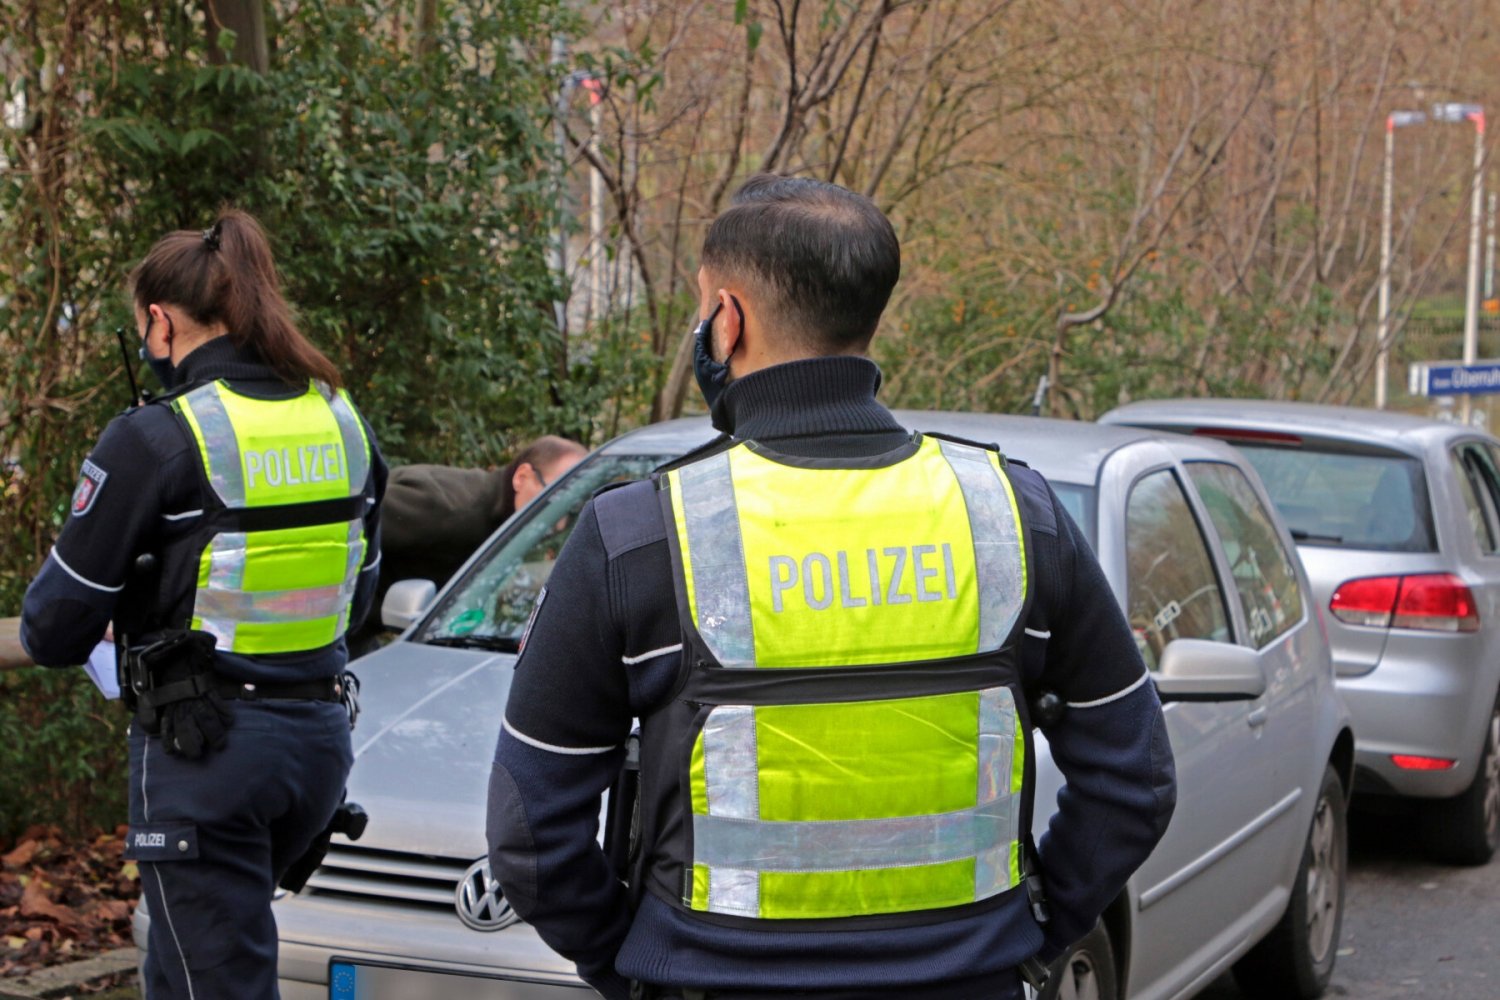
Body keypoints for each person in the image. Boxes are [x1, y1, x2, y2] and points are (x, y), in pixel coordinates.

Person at [486, 175, 1176, 1000]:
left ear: (727, 319)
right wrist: (1025, 932)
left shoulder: (638, 535)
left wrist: (634, 967)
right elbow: (1135, 779)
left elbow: (532, 833)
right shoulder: (1013, 516)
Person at [19, 210, 387, 999]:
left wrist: (141, 591)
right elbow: (355, 598)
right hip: (317, 749)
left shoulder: (157, 437)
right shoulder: (340, 417)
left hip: (206, 757)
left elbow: (53, 628)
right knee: (185, 969)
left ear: (160, 322)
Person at [345, 435, 585, 655]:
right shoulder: (448, 509)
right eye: (556, 499)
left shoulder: (509, 526)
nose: (560, 522)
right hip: (334, 625)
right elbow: (348, 527)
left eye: (570, 508)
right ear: (521, 477)